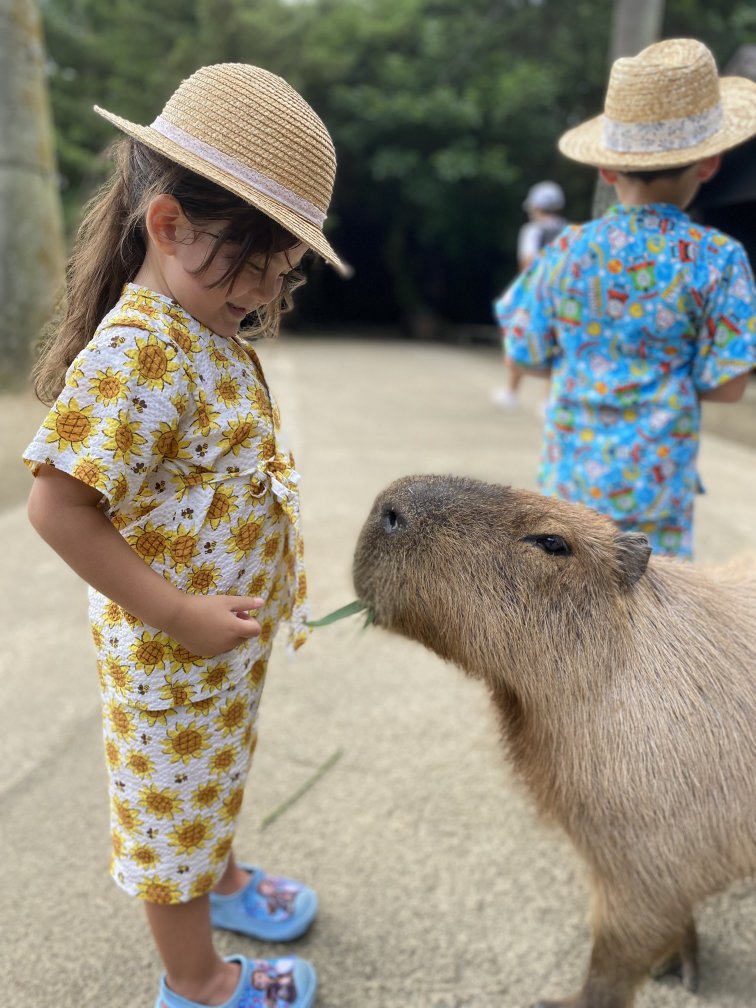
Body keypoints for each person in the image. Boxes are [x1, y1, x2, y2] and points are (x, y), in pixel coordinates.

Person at [23, 63, 349, 1008]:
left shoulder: (199, 328)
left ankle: (229, 878)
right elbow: (57, 505)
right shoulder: (140, 352)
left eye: (281, 274)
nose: (261, 293)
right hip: (169, 652)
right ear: (168, 225)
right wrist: (178, 613)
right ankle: (198, 983)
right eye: (254, 269)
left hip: (210, 645)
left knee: (213, 775)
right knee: (170, 818)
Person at [495, 38, 756, 559]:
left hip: (567, 484)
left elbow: (524, 353)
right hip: (658, 488)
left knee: (566, 617)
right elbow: (728, 388)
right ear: (709, 164)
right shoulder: (718, 258)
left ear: (607, 169)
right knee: (655, 624)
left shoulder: (567, 249)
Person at [492, 180, 567, 409]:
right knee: (557, 343)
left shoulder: (532, 230)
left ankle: (511, 392)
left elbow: (527, 263)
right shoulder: (569, 230)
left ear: (535, 206)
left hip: (536, 294)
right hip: (562, 294)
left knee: (517, 336)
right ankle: (548, 400)